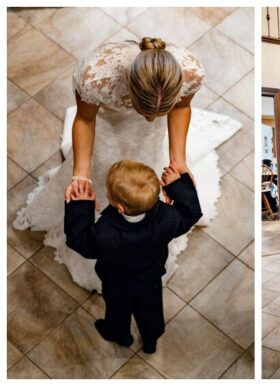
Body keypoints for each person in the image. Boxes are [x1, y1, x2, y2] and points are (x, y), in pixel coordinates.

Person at [13, 37, 240, 293]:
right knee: (102, 170)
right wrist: (81, 176)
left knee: (149, 168)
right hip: (108, 132)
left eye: (159, 113)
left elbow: (182, 107)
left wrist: (178, 160)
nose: (152, 119)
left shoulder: (190, 73)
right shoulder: (95, 76)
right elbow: (86, 119)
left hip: (149, 144)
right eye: (145, 112)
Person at [64, 161, 202, 354]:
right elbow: (191, 213)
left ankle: (119, 334)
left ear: (119, 208)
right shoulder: (167, 217)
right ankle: (151, 339)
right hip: (150, 277)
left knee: (117, 310)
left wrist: (81, 204)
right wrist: (176, 185)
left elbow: (80, 242)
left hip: (117, 282)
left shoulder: (105, 232)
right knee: (151, 311)